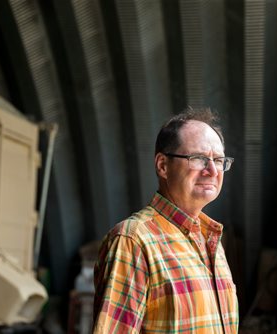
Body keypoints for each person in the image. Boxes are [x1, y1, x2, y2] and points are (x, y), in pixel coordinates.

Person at [93, 108, 239, 333]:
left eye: (219, 160)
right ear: (163, 165)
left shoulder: (211, 240)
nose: (212, 170)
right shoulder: (133, 241)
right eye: (199, 159)